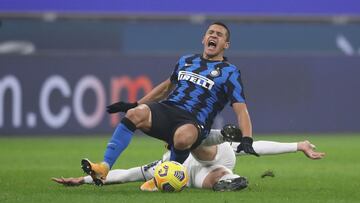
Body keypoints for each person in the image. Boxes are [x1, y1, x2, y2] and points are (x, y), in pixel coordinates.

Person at [82, 22, 258, 185]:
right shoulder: (186, 61)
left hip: (195, 121)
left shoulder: (230, 72)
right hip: (169, 108)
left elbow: (241, 110)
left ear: (226, 45)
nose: (214, 36)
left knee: (183, 137)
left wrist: (247, 138)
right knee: (135, 114)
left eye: (219, 34)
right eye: (210, 32)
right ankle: (104, 167)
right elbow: (166, 88)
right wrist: (134, 104)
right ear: (203, 39)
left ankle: (163, 178)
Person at [54, 128, 325, 191]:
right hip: (201, 172)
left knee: (200, 148)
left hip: (215, 153)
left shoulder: (174, 155)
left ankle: (208, 136)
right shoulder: (164, 166)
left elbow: (255, 147)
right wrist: (84, 179)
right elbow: (126, 175)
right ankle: (231, 182)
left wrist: (297, 145)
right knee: (212, 180)